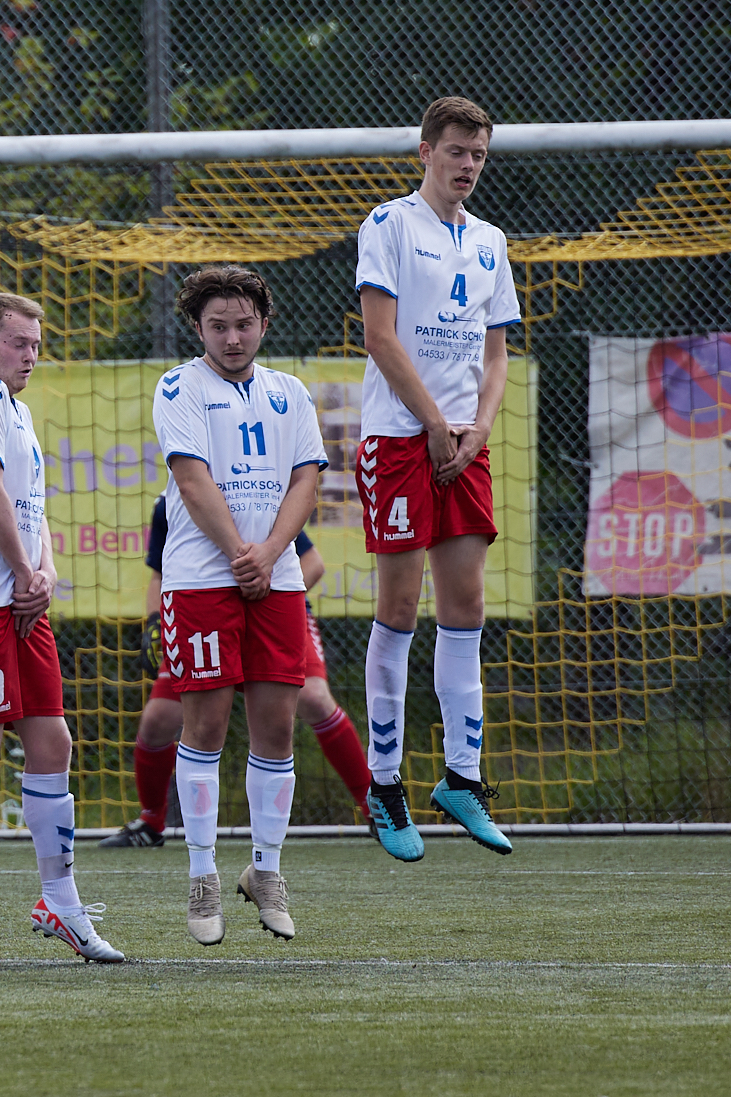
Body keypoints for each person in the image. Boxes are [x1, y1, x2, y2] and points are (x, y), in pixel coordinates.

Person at [0, 293, 124, 966]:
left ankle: (59, 902)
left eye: (37, 344)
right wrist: (21, 572)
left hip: (21, 604)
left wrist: (45, 571)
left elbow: (30, 505)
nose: (31, 354)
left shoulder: (18, 409)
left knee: (52, 741)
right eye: (18, 341)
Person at [356, 96, 520, 861]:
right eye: (456, 151)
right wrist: (431, 421)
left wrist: (478, 427)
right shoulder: (388, 224)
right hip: (401, 438)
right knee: (399, 608)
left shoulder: (490, 241)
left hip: (465, 443)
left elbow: (496, 353)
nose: (468, 165)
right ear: (426, 151)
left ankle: (462, 777)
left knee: (466, 605)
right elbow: (380, 336)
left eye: (478, 154)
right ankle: (384, 783)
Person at [151, 265, 326, 944]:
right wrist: (237, 554)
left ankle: (267, 871)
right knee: (205, 724)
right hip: (202, 579)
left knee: (277, 727)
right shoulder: (179, 386)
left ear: (263, 323)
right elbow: (191, 480)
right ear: (199, 328)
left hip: (275, 581)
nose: (232, 337)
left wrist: (271, 553)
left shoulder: (291, 392)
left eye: (244, 324)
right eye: (218, 325)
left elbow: (306, 479)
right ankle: (202, 876)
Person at [100, 495, 371, 848]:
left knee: (314, 698)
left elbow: (313, 564)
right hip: (205, 616)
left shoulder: (256, 495)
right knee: (157, 720)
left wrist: (263, 587)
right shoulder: (173, 502)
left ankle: (376, 809)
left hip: (273, 612)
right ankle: (152, 822)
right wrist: (155, 622)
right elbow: (159, 575)